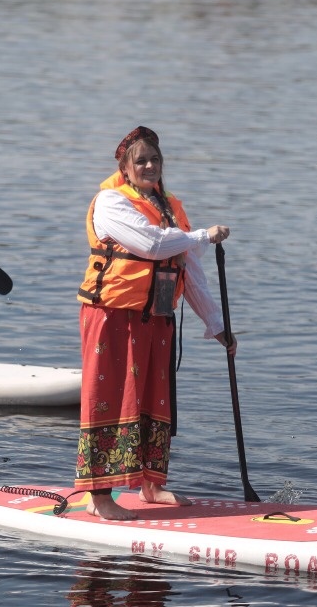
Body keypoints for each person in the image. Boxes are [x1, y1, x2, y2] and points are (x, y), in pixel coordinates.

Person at [75, 126, 237, 520]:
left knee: (154, 401)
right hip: (113, 316)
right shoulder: (111, 202)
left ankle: (151, 485)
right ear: (126, 168)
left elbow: (191, 273)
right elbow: (151, 244)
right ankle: (99, 497)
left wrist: (217, 326)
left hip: (156, 321)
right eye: (141, 161)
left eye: (155, 160)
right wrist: (202, 235)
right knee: (110, 400)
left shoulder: (171, 208)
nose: (149, 166)